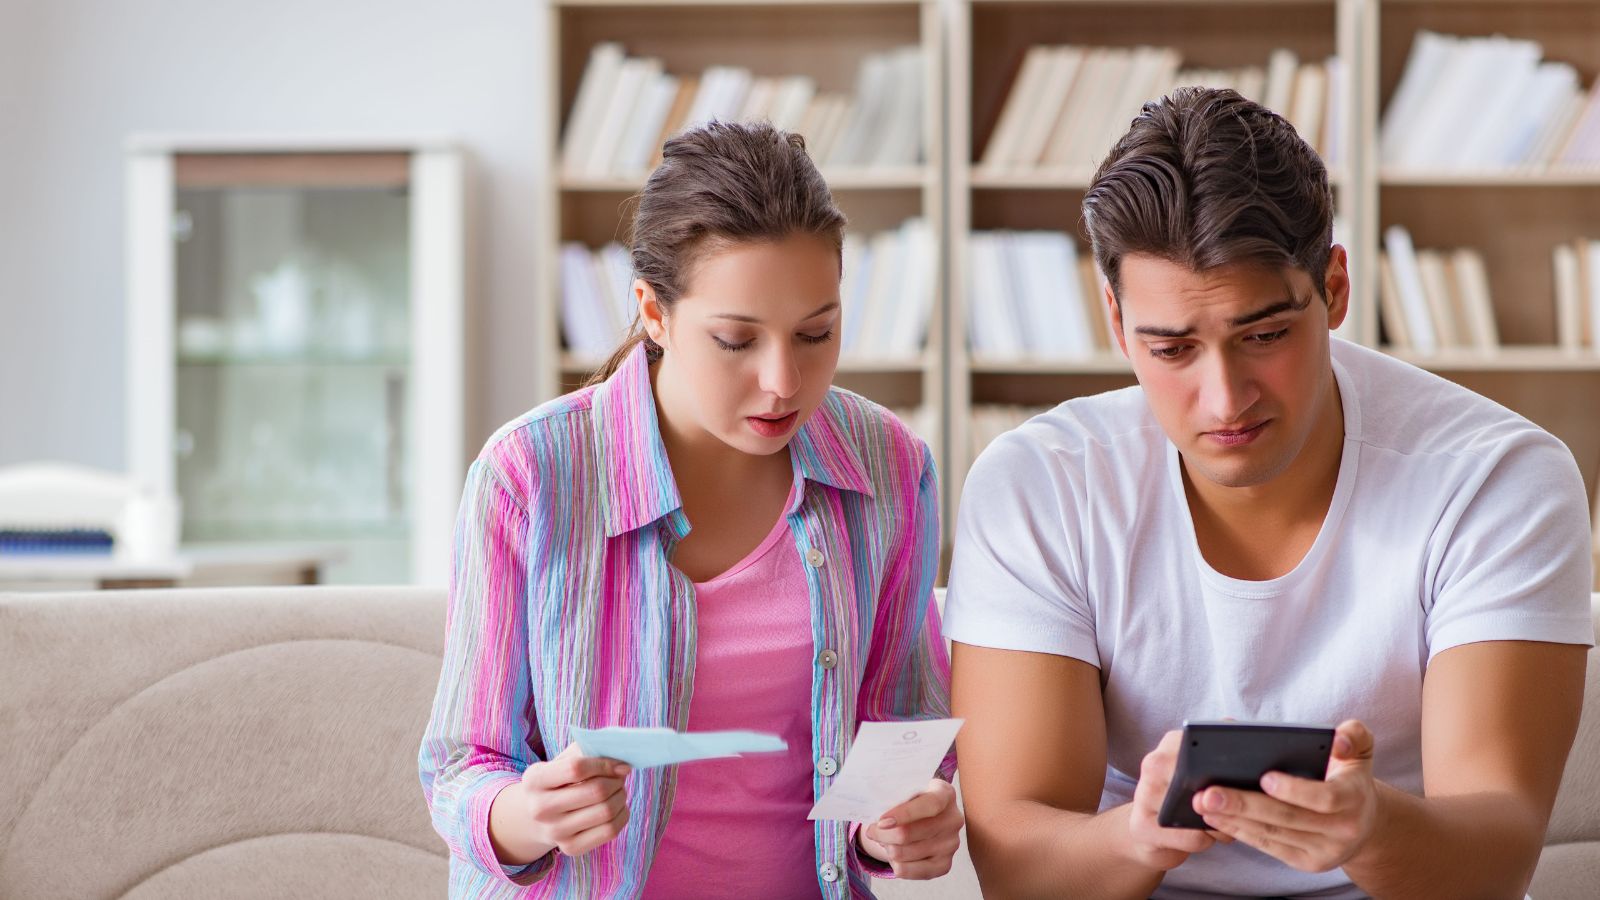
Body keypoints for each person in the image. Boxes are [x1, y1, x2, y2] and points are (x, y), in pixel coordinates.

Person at [944, 86, 1593, 899]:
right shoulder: (1038, 487)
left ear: (1336, 287)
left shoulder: (1494, 479)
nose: (1225, 398)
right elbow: (1018, 868)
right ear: (1115, 322)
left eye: (1265, 335)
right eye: (1173, 348)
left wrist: (1369, 828)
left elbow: (1495, 861)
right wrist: (1143, 836)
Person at [419, 120, 962, 900]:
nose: (783, 380)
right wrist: (523, 813)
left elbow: (900, 734)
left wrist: (898, 826)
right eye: (737, 341)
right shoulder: (530, 475)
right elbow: (460, 766)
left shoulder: (889, 468)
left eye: (816, 333)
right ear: (654, 312)